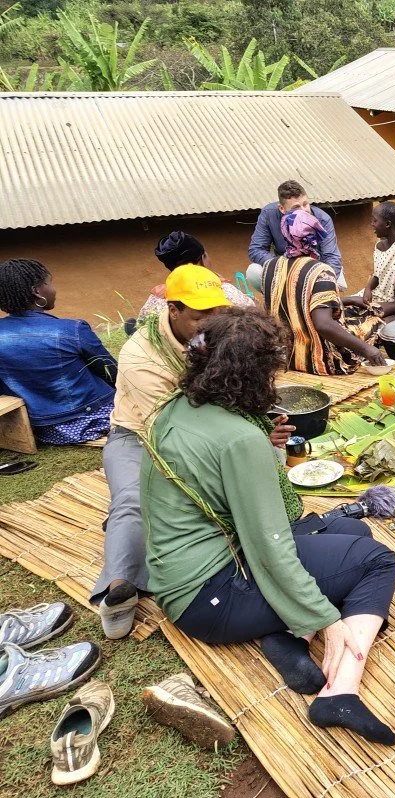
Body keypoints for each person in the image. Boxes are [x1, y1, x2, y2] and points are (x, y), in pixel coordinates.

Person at [141, 307, 395, 744]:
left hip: (188, 572)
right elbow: (269, 543)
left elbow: (248, 517)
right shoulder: (239, 439)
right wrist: (325, 617)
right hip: (209, 596)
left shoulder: (178, 407)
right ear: (256, 373)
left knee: (353, 533)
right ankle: (340, 693)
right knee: (375, 560)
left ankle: (284, 634)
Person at [91, 265, 290, 640]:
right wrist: (238, 442)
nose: (208, 323)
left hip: (207, 426)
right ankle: (118, 590)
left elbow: (235, 386)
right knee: (134, 500)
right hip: (140, 434)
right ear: (174, 309)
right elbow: (171, 426)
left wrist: (258, 426)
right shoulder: (140, 354)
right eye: (200, 316)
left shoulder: (217, 332)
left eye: (215, 312)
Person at [0, 259, 116, 445]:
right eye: (49, 283)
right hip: (94, 418)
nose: (54, 290)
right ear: (37, 291)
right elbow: (111, 371)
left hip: (42, 429)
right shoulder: (71, 329)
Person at [259, 209, 387, 375]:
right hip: (321, 361)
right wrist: (366, 349)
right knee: (374, 322)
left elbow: (295, 303)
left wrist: (346, 300)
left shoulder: (269, 267)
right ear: (313, 236)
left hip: (286, 356)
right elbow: (323, 324)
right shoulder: (320, 271)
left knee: (353, 310)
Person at [135, 232, 255, 324]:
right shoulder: (225, 291)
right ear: (202, 259)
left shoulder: (157, 298)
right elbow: (254, 318)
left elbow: (140, 326)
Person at [249, 180, 347, 290]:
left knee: (328, 286)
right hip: (284, 268)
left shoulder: (323, 220)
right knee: (254, 271)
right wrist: (282, 265)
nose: (303, 210)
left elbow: (332, 257)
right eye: (296, 207)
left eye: (305, 204)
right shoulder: (269, 214)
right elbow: (256, 250)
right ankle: (278, 303)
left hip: (318, 268)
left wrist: (321, 281)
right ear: (282, 208)